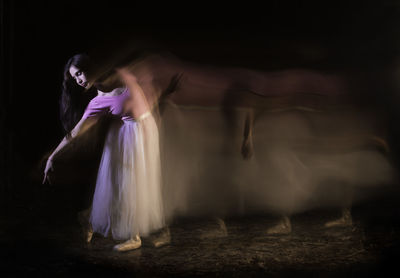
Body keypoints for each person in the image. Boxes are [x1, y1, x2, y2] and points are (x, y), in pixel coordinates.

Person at [43, 54, 167, 251]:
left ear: (90, 67)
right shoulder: (97, 103)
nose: (79, 80)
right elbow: (74, 133)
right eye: (75, 78)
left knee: (146, 182)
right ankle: (133, 236)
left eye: (80, 73)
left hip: (148, 129)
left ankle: (88, 217)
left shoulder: (121, 73)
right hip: (129, 137)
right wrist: (52, 157)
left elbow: (146, 84)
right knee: (128, 183)